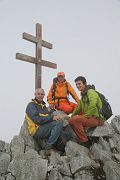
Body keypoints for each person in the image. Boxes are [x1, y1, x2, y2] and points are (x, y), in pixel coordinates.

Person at [69, 76, 104, 147]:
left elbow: (93, 104)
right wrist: (71, 116)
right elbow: (79, 108)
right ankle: (86, 138)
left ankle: (85, 141)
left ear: (84, 84)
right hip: (91, 117)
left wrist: (86, 116)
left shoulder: (91, 92)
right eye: (76, 84)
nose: (78, 86)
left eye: (79, 84)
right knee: (71, 120)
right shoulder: (83, 95)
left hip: (97, 118)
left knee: (75, 120)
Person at [25, 88, 63, 154]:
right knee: (58, 123)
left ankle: (61, 148)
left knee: (62, 128)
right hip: (36, 130)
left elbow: (47, 116)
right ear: (35, 94)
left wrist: (52, 111)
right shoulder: (31, 105)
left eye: (42, 94)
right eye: (38, 94)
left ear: (44, 95)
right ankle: (48, 147)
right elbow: (37, 119)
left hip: (43, 128)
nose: (40, 95)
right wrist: (52, 118)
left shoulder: (43, 106)